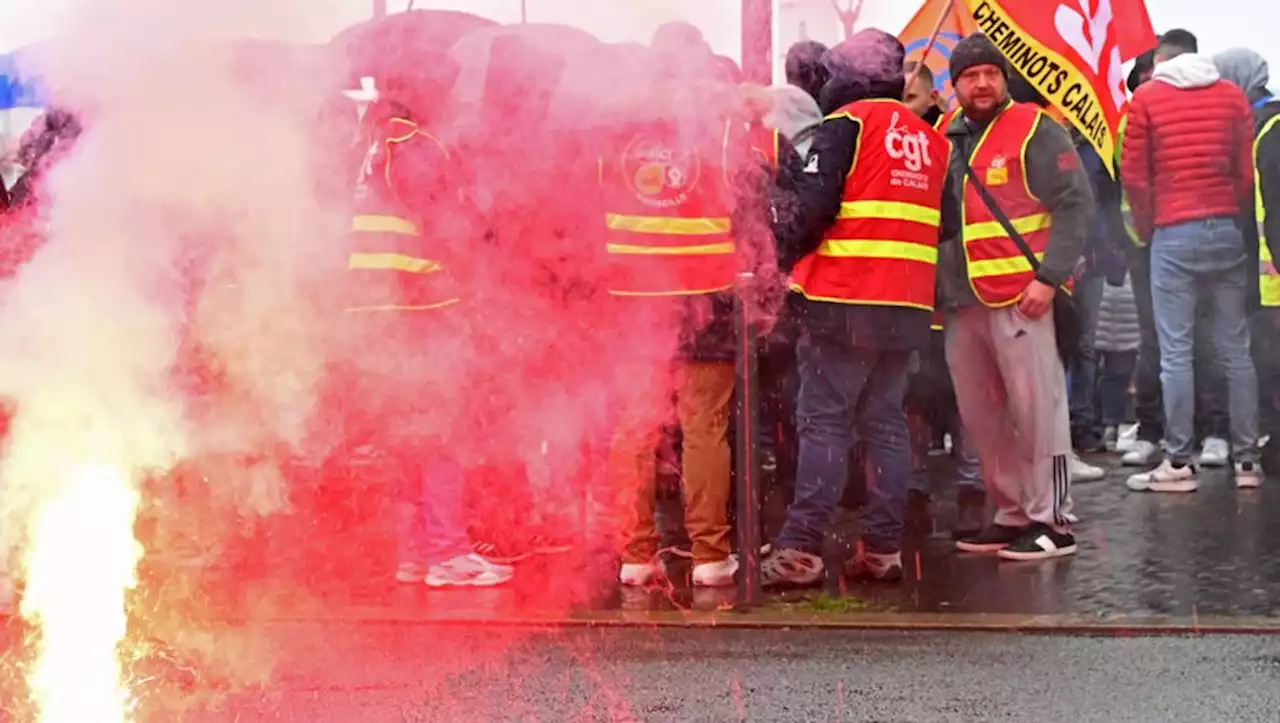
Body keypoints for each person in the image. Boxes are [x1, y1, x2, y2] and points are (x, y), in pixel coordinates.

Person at [764, 29, 949, 585]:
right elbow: (946, 220)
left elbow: (812, 210)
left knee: (823, 422)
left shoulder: (846, 126)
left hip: (843, 299)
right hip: (908, 303)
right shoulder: (931, 139)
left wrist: (776, 247)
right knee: (887, 424)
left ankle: (800, 548)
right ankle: (885, 548)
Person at [340, 60, 513, 587]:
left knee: (405, 436)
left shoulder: (365, 148)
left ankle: (413, 553)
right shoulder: (419, 146)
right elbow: (450, 226)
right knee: (441, 432)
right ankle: (448, 553)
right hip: (419, 307)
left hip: (372, 311)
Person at [937, 34, 1092, 560]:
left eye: (990, 74)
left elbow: (1076, 206)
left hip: (1023, 297)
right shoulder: (944, 133)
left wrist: (1049, 279)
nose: (982, 83)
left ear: (1004, 79)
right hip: (962, 302)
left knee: (1037, 412)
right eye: (970, 75)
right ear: (953, 84)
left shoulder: (1036, 129)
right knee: (982, 417)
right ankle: (1009, 514)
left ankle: (1053, 520)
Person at [600, 40, 748, 589]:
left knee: (634, 427)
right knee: (704, 427)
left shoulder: (611, 135)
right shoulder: (723, 132)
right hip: (704, 295)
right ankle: (710, 556)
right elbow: (755, 209)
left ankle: (635, 555)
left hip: (631, 301)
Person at [1122, 31, 1262, 491]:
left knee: (1175, 351)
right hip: (1225, 228)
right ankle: (1247, 461)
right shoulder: (1231, 96)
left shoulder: (1145, 98)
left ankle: (1178, 461)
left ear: (1160, 61)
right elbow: (1245, 173)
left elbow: (1136, 178)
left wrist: (1149, 227)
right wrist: (1230, 215)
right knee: (1235, 349)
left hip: (1173, 232)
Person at [900, 59, 985, 539]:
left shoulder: (955, 143)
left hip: (956, 287)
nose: (902, 109)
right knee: (910, 398)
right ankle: (913, 493)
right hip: (908, 292)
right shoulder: (884, 144)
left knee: (964, 397)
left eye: (910, 98)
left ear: (934, 99)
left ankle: (973, 491)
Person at [1215, 47, 1280, 475]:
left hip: (1272, 277)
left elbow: (1272, 205)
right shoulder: (1260, 124)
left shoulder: (1270, 129)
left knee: (1272, 364)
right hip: (1263, 275)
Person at [1095, 274, 1142, 450]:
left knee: (1111, 373)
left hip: (1104, 291)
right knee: (1122, 371)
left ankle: (1111, 426)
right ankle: (1122, 426)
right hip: (1130, 292)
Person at [903, 61, 943, 127]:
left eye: (909, 97)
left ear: (933, 97)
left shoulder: (948, 134)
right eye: (895, 99)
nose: (900, 105)